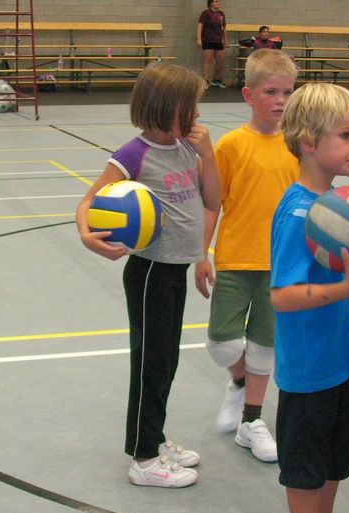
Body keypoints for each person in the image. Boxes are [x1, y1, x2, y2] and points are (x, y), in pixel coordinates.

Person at [75, 63, 221, 488]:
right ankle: (142, 457)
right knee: (151, 362)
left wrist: (208, 153)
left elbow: (213, 197)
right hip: (150, 272)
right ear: (163, 109)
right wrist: (88, 236)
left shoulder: (188, 149)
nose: (195, 117)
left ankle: (152, 437)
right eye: (188, 109)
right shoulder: (132, 154)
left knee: (167, 359)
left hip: (174, 270)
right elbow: (89, 200)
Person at [268, 81, 349, 513]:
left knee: (336, 454)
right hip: (309, 366)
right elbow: (282, 296)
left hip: (340, 358)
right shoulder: (297, 213)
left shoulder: (335, 203)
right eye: (347, 135)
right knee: (306, 464)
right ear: (309, 141)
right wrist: (346, 290)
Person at [195, 49, 298, 463]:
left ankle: (252, 420)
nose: (280, 101)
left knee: (265, 346)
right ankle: (238, 383)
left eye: (288, 92)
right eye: (271, 91)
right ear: (248, 95)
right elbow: (212, 202)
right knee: (222, 344)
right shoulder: (233, 145)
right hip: (237, 258)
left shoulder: (297, 144)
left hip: (282, 263)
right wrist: (200, 254)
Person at [197, 0, 228, 87]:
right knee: (208, 60)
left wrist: (225, 40)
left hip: (218, 41)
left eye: (219, 2)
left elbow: (224, 28)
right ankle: (206, 81)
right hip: (208, 40)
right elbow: (200, 25)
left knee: (221, 60)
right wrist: (199, 39)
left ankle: (217, 79)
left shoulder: (221, 14)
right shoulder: (206, 13)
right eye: (216, 1)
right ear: (211, 3)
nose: (218, 3)